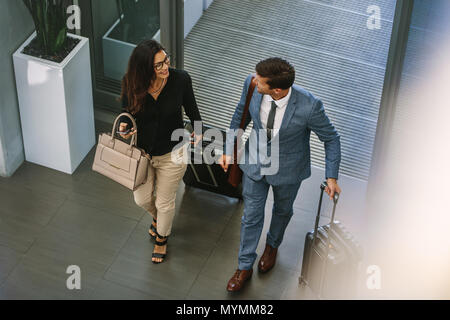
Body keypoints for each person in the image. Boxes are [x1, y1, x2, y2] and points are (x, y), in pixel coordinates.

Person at [219, 58, 342, 292]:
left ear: (276, 89)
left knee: (282, 210)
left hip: (289, 169)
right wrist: (228, 151)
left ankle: (272, 245)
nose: (254, 79)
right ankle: (244, 265)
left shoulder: (309, 106)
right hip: (254, 163)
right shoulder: (252, 85)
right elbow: (240, 117)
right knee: (251, 216)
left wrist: (331, 177)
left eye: (260, 79)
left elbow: (331, 138)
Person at [118, 40, 202, 264]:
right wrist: (124, 129)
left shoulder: (180, 79)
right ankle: (158, 218)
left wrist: (199, 132)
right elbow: (127, 114)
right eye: (158, 65)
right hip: (142, 154)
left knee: (166, 203)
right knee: (141, 199)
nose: (166, 67)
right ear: (144, 68)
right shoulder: (130, 83)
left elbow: (194, 111)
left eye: (166, 60)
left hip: (173, 153)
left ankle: (162, 239)